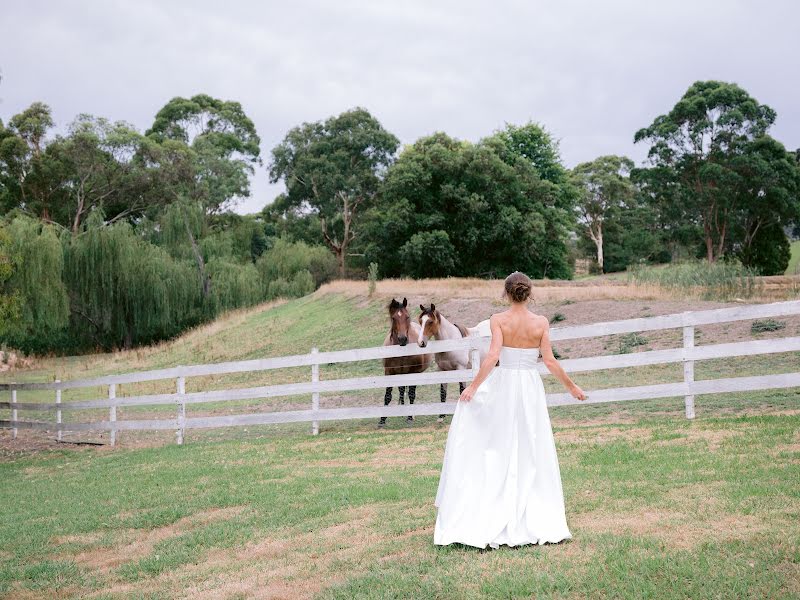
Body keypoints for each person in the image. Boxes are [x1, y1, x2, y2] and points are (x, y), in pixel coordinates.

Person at [433, 271, 587, 549]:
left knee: (499, 442)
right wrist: (572, 387)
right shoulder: (540, 322)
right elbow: (550, 362)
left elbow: (493, 356)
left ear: (506, 294)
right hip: (529, 387)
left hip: (503, 385)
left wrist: (473, 387)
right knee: (530, 442)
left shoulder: (498, 320)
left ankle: (498, 500)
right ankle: (530, 506)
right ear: (530, 293)